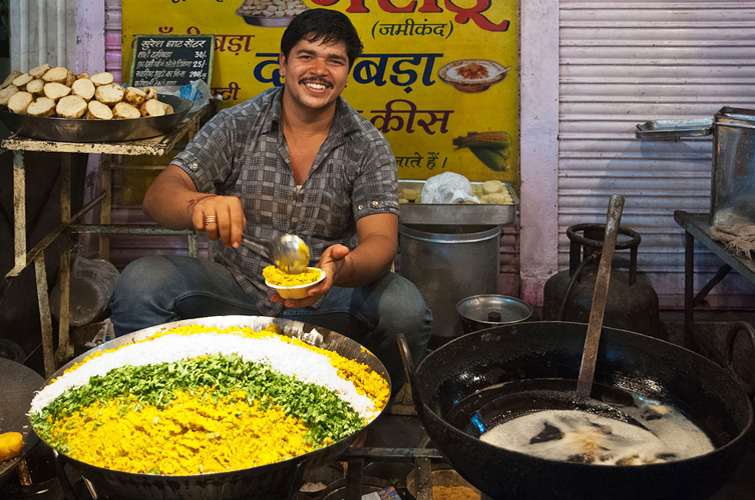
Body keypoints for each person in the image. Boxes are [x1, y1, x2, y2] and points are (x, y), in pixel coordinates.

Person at [110, 8, 432, 400]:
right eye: (306, 55)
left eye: (335, 60)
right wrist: (200, 204)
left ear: (347, 74)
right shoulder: (238, 124)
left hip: (324, 295)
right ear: (283, 64)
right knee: (142, 280)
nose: (319, 69)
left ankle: (362, 413)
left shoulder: (367, 145)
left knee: (406, 308)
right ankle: (160, 405)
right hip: (236, 287)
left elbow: (381, 241)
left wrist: (339, 270)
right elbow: (160, 195)